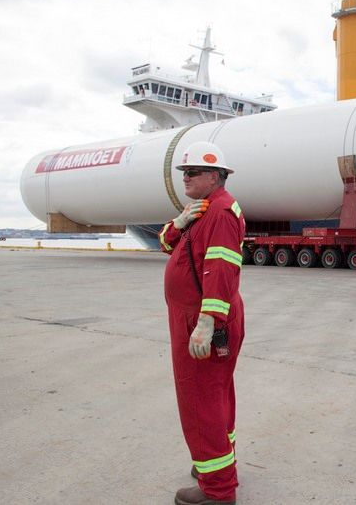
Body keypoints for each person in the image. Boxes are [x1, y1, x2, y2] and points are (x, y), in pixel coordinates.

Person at [158, 141, 245, 505]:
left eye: (192, 172)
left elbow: (222, 269)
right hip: (197, 317)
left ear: (214, 176)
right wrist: (178, 223)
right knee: (217, 394)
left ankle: (218, 490)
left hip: (202, 320)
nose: (185, 179)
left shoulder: (221, 214)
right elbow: (169, 246)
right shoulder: (203, 210)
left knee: (199, 400)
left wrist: (208, 320)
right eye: (183, 173)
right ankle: (215, 465)